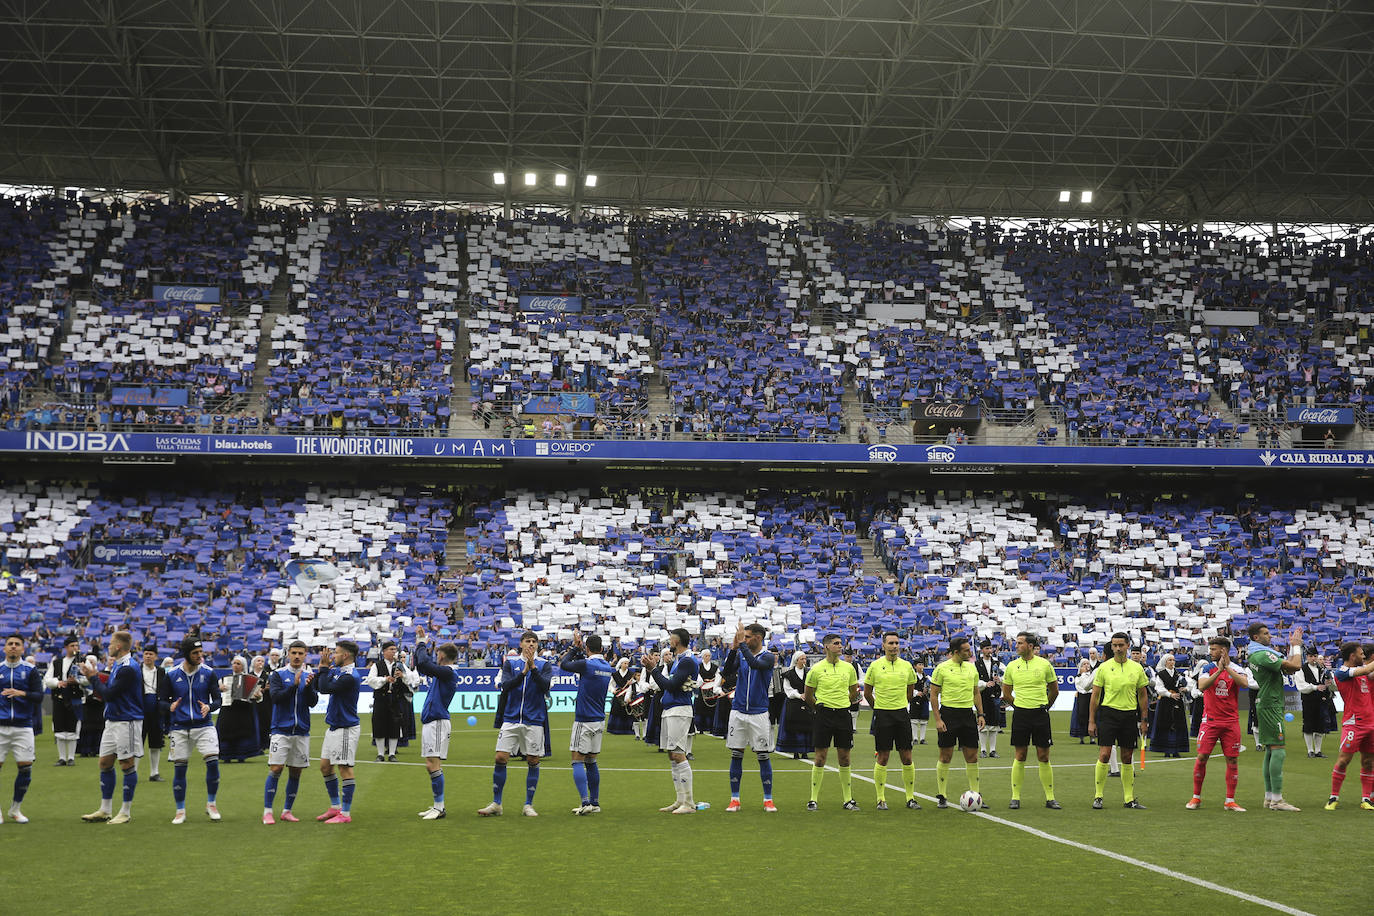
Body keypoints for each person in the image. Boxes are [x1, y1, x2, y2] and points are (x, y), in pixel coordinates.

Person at [478, 631, 552, 817]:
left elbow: (545, 687)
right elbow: (506, 686)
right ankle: (497, 803)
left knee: (533, 760)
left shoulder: (544, 665)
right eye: (528, 641)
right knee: (500, 758)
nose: (531, 645)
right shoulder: (510, 663)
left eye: (534, 642)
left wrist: (533, 669)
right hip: (511, 719)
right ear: (521, 644)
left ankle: (528, 804)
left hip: (534, 720)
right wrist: (524, 673)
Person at [80, 631, 143, 824]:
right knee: (105, 763)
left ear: (118, 646)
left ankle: (125, 811)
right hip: (112, 720)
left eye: (111, 644)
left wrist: (93, 677)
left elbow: (109, 694)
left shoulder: (128, 668)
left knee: (126, 764)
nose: (108, 647)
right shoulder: (118, 665)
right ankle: (105, 809)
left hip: (127, 720)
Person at [162, 638, 222, 824]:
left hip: (204, 726)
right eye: (196, 653)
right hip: (179, 728)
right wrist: (169, 706)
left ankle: (211, 804)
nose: (200, 656)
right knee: (180, 769)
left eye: (201, 652)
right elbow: (161, 701)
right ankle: (180, 810)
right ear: (187, 654)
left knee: (213, 762)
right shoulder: (171, 675)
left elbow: (218, 700)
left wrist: (209, 708)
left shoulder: (209, 673)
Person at [1245, 621, 1304, 811]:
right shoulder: (1262, 654)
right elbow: (1295, 666)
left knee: (1271, 750)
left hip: (1268, 702)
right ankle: (1277, 800)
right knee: (1278, 750)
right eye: (1266, 633)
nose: (1270, 636)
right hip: (1271, 703)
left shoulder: (1256, 654)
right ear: (1256, 637)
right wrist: (1296, 645)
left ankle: (1270, 797)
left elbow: (1287, 667)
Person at [1187, 637, 1249, 812]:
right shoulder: (1207, 668)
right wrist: (1218, 671)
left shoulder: (1237, 668)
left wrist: (1227, 668)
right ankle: (1196, 797)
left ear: (1224, 651)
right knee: (1202, 757)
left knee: (1232, 759)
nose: (1210, 652)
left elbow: (1244, 683)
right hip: (1210, 721)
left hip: (1230, 722)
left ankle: (1230, 800)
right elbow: (1202, 686)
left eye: (1214, 649)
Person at [1087, 632, 1148, 810]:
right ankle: (1098, 796)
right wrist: (1091, 721)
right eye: (1115, 645)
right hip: (1108, 714)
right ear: (1112, 647)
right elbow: (1095, 696)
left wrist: (1144, 720)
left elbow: (1143, 695)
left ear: (1128, 646)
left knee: (1127, 757)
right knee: (1104, 754)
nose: (1118, 648)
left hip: (1129, 716)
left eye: (1121, 645)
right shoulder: (1104, 668)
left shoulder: (1137, 669)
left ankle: (1129, 799)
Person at [1001, 632, 1061, 810]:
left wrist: (1044, 707)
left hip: (1040, 714)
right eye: (1017, 643)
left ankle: (1050, 798)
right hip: (1021, 715)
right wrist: (1018, 706)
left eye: (1020, 643)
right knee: (1020, 755)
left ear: (1030, 646)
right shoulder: (1012, 666)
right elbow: (1006, 693)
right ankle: (1015, 797)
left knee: (1043, 756)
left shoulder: (1044, 664)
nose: (1016, 646)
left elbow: (1054, 691)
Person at [723, 623, 778, 813]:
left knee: (762, 755)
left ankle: (768, 799)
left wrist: (741, 646)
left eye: (747, 637)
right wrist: (733, 649)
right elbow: (726, 672)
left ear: (758, 637)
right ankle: (735, 799)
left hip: (759, 713)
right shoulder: (742, 654)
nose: (744, 640)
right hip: (738, 711)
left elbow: (755, 665)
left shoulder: (769, 657)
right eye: (743, 637)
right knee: (736, 754)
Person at [262, 640, 318, 825]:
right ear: (288, 654)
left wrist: (309, 687)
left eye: (301, 653)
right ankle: (268, 811)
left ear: (305, 655)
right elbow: (276, 698)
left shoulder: (309, 675)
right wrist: (294, 686)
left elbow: (313, 703)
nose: (297, 656)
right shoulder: (277, 675)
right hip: (281, 729)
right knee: (276, 768)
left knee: (296, 772)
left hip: (301, 730)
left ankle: (287, 810)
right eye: (294, 653)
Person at [863, 631, 919, 810]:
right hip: (883, 715)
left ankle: (910, 798)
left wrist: (901, 704)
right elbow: (867, 692)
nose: (894, 646)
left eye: (896, 643)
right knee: (883, 757)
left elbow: (910, 691)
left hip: (901, 714)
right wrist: (878, 708)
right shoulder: (875, 666)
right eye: (891, 643)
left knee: (907, 757)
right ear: (883, 645)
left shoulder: (907, 666)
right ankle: (881, 799)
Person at [804, 633, 860, 811]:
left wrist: (844, 702)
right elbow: (808, 695)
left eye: (840, 643)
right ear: (826, 646)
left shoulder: (849, 668)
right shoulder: (816, 669)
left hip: (843, 714)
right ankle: (813, 799)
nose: (840, 646)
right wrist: (820, 708)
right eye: (836, 644)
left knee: (844, 757)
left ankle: (848, 799)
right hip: (823, 714)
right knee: (820, 757)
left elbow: (853, 691)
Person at [559, 631, 613, 815]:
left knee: (577, 760)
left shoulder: (586, 665)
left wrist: (575, 647)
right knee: (591, 761)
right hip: (599, 718)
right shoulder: (607, 666)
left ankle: (584, 803)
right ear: (602, 649)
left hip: (584, 719)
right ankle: (595, 802)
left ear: (587, 648)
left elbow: (564, 664)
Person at [930, 636, 986, 809]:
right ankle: (942, 795)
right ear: (956, 652)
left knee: (972, 756)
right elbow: (933, 695)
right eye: (966, 650)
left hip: (967, 715)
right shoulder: (942, 668)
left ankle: (975, 795)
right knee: (945, 755)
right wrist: (938, 719)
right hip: (948, 714)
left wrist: (981, 714)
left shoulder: (972, 669)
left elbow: (976, 693)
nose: (970, 652)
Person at [649, 628, 700, 814]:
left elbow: (670, 685)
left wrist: (653, 670)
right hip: (672, 709)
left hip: (679, 709)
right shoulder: (681, 660)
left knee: (678, 754)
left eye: (671, 638)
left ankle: (689, 802)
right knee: (672, 755)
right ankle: (680, 800)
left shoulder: (687, 660)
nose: (669, 641)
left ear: (677, 641)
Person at [412, 626, 460, 819]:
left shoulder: (448, 672)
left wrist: (421, 642)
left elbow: (424, 662)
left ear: (441, 655)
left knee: (434, 764)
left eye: (437, 652)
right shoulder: (443, 672)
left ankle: (439, 807)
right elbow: (422, 665)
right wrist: (420, 645)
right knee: (430, 764)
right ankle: (436, 805)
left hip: (438, 722)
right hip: (432, 722)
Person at [314, 640, 361, 824]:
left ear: (346, 655)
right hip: (334, 726)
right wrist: (321, 670)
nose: (333, 656)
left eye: (336, 653)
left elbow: (326, 688)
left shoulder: (350, 676)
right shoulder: (340, 672)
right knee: (325, 766)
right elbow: (319, 686)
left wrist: (324, 669)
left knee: (345, 769)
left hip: (345, 728)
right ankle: (335, 807)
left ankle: (346, 814)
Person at [1325, 642, 1374, 810]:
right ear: (1352, 656)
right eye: (1361, 654)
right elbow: (1367, 670)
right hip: (1354, 724)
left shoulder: (1362, 672)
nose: (1364, 657)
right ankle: (1333, 797)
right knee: (1343, 760)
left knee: (1368, 761)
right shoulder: (1342, 672)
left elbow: (1369, 672)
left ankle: (1366, 799)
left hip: (1370, 724)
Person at [0, 634, 42, 824]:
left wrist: (21, 693)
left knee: (25, 769)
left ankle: (15, 809)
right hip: (0, 727)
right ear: (5, 648)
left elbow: (39, 696)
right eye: (10, 644)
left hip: (23, 726)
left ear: (23, 649)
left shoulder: (31, 670)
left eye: (17, 644)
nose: (14, 647)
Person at [365, 641, 416, 761]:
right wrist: (384, 679)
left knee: (394, 726)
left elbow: (412, 680)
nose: (393, 652)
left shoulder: (401, 666)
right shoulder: (377, 665)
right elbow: (371, 680)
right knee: (379, 726)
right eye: (391, 649)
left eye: (394, 649)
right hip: (380, 699)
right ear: (384, 652)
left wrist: (403, 676)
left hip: (395, 699)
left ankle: (392, 753)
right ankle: (380, 754)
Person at [44, 635, 82, 766]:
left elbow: (89, 679)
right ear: (66, 647)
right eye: (72, 646)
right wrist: (58, 682)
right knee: (59, 728)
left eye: (77, 646)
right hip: (59, 698)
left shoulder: (82, 661)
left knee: (72, 728)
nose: (75, 648)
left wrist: (77, 681)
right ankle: (62, 758)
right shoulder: (57, 662)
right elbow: (47, 679)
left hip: (75, 699)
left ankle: (71, 757)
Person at [217, 656, 262, 762]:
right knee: (226, 731)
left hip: (244, 710)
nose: (235, 666)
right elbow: (218, 693)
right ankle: (226, 756)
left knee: (243, 732)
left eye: (238, 664)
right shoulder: (224, 679)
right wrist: (220, 689)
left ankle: (242, 755)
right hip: (228, 709)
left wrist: (258, 696)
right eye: (234, 663)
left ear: (243, 666)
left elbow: (258, 696)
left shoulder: (251, 679)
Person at [1296, 649, 1337, 758]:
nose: (1313, 658)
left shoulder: (1322, 669)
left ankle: (1318, 750)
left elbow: (1331, 685)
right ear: (1307, 657)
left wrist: (1329, 684)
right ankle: (1310, 750)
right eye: (1310, 656)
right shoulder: (1301, 669)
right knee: (1308, 725)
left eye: (1314, 656)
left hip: (1321, 700)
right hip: (1308, 700)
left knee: (1320, 726)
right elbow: (1301, 686)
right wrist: (1315, 687)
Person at [1148, 654, 1190, 757]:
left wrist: (1185, 689)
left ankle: (1176, 749)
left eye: (1173, 660)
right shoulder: (1161, 674)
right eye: (1169, 660)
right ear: (1165, 662)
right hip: (1165, 703)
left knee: (1177, 724)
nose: (1172, 662)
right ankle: (1166, 749)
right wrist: (1170, 694)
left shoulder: (1178, 674)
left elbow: (1189, 684)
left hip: (1177, 702)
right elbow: (1159, 688)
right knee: (1165, 724)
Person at [138, 647, 169, 782]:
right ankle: (133, 772)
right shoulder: (136, 671)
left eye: (151, 654)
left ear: (156, 657)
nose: (148, 657)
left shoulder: (161, 672)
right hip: (139, 710)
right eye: (146, 654)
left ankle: (154, 772)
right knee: (137, 742)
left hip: (157, 711)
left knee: (156, 743)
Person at [777, 651, 812, 759]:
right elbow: (788, 689)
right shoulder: (789, 674)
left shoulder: (809, 673)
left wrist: (808, 695)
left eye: (805, 659)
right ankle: (795, 751)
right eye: (802, 659)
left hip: (807, 702)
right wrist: (798, 695)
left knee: (807, 726)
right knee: (794, 726)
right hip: (793, 703)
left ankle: (805, 751)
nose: (804, 661)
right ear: (796, 660)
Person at [975, 640, 1005, 758]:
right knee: (982, 724)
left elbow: (1006, 676)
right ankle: (983, 750)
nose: (989, 650)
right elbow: (973, 680)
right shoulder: (976, 664)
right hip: (981, 697)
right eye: (986, 648)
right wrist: (984, 684)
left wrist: (1000, 680)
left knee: (994, 725)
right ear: (982, 650)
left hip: (995, 696)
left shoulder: (998, 664)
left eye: (990, 648)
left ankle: (992, 750)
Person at [607, 657, 636, 736]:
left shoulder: (631, 674)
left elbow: (634, 684)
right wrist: (613, 691)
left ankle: (628, 729)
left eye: (628, 664)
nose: (626, 665)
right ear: (621, 664)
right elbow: (610, 685)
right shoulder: (615, 674)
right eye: (625, 663)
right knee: (616, 710)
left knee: (627, 711)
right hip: (618, 695)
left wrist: (631, 684)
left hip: (628, 695)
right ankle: (615, 729)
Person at [693, 649, 719, 734]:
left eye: (709, 656)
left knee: (711, 709)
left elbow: (717, 677)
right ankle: (701, 728)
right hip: (702, 690)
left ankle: (711, 728)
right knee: (701, 709)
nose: (708, 657)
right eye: (706, 656)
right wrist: (704, 681)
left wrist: (712, 681)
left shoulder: (715, 667)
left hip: (712, 690)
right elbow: (697, 677)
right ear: (703, 657)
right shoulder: (699, 666)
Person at [1070, 658, 1093, 743]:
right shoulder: (1078, 677)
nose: (1086, 665)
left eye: (1088, 664)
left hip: (1090, 697)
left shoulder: (1092, 676)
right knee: (1081, 716)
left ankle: (1092, 738)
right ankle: (1082, 737)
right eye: (1084, 664)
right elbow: (1082, 688)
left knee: (1091, 716)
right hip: (1082, 698)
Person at [909, 659, 930, 746]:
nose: (921, 667)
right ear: (915, 666)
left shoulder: (927, 677)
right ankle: (915, 738)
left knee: (923, 720)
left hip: (924, 700)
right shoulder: (912, 676)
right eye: (919, 665)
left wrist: (927, 690)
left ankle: (922, 738)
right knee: (914, 720)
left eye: (922, 665)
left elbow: (931, 687)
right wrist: (916, 693)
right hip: (914, 700)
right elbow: (908, 687)